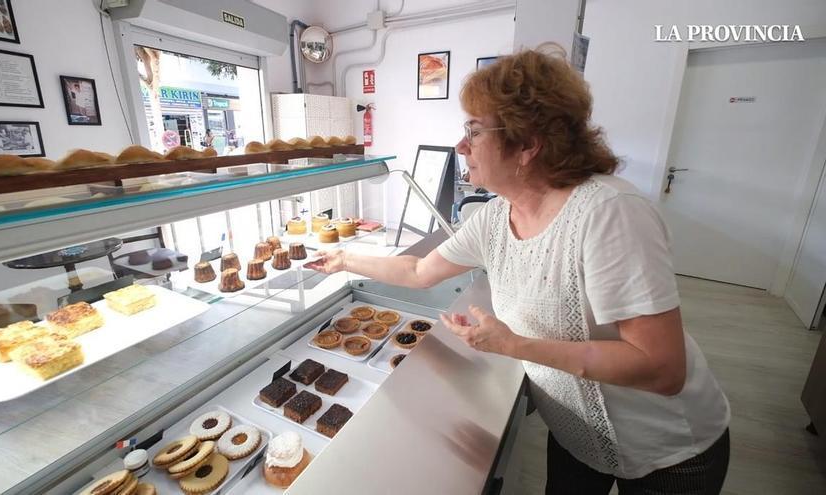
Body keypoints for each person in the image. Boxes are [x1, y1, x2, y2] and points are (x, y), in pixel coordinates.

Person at [310, 47, 731, 494]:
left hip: (666, 453)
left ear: (527, 144)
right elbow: (418, 270)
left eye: (474, 130)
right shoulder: (495, 217)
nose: (461, 146)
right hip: (575, 435)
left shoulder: (609, 213)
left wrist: (515, 345)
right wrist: (343, 261)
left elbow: (662, 368)